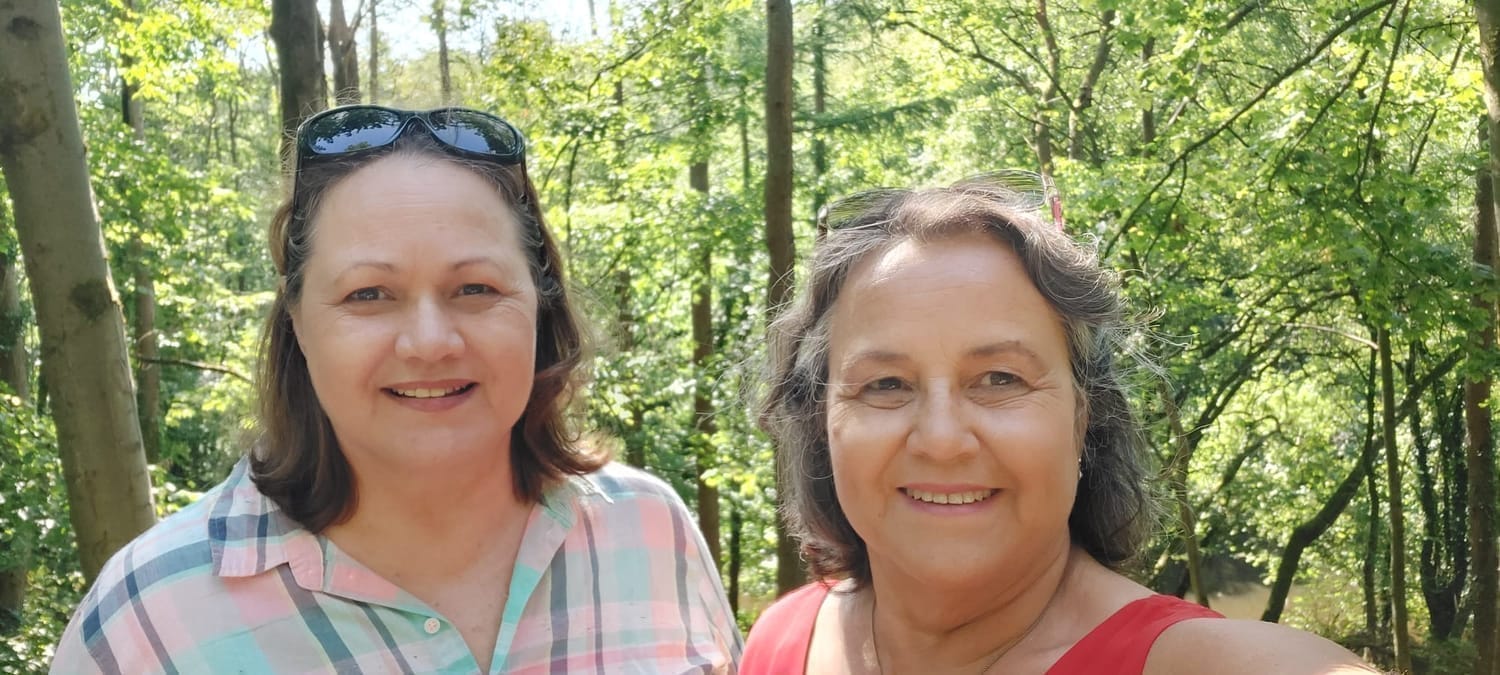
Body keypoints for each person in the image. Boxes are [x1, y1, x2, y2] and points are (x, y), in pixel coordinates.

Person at [52, 105, 742, 674]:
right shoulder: (147, 622)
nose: (429, 340)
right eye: (369, 294)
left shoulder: (651, 531)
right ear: (296, 322)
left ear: (540, 305)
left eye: (476, 288)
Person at [741, 176, 1372, 674]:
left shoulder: (1197, 663)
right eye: (886, 384)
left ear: (1084, 414)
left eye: (1000, 379)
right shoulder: (783, 639)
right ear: (819, 418)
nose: (941, 439)